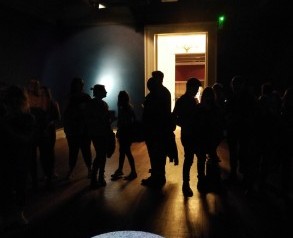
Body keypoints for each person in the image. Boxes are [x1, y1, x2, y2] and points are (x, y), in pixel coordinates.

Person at [0, 85, 35, 228]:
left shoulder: (28, 118)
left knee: (19, 186)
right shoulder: (6, 118)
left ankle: (19, 213)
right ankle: (6, 215)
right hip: (6, 158)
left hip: (19, 158)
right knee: (4, 187)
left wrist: (5, 127)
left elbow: (26, 139)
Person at [141, 71, 175, 188]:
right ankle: (158, 176)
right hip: (160, 129)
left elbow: (153, 113)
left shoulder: (157, 94)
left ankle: (158, 177)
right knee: (158, 154)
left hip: (155, 129)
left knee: (156, 154)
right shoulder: (165, 92)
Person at [172, 77, 204, 196]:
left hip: (188, 134)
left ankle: (186, 184)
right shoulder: (191, 101)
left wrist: (184, 124)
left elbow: (174, 117)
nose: (196, 91)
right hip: (191, 135)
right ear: (190, 88)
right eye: (195, 88)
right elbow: (175, 118)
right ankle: (199, 181)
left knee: (189, 159)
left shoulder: (182, 101)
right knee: (199, 158)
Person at [85, 84, 114, 188]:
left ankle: (97, 177)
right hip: (101, 133)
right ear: (100, 92)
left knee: (100, 155)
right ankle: (97, 177)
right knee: (101, 155)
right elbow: (104, 120)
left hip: (95, 133)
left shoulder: (91, 104)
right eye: (104, 90)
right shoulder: (103, 104)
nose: (106, 92)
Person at [63, 77, 92, 179]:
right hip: (76, 129)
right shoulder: (84, 97)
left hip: (80, 129)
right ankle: (88, 169)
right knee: (78, 150)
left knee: (81, 150)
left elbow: (66, 113)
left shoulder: (71, 97)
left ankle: (84, 169)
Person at [111, 91, 137, 181]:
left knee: (126, 152)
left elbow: (124, 121)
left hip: (125, 133)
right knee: (123, 152)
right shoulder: (128, 107)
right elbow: (133, 119)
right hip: (126, 132)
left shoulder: (124, 108)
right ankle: (121, 169)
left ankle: (133, 172)